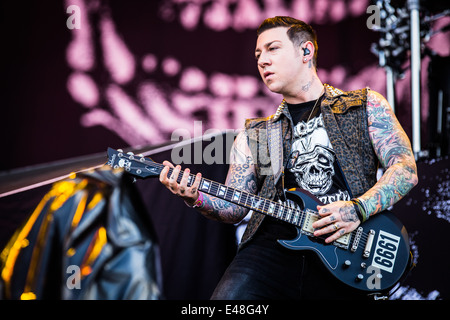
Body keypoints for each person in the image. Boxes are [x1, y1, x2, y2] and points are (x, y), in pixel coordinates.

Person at [159, 16, 418, 299]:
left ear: (306, 51)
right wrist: (194, 195)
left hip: (346, 244)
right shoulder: (256, 134)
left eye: (272, 49)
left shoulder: (363, 105)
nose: (262, 61)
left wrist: (357, 210)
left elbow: (405, 168)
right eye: (258, 54)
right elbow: (234, 207)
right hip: (272, 248)